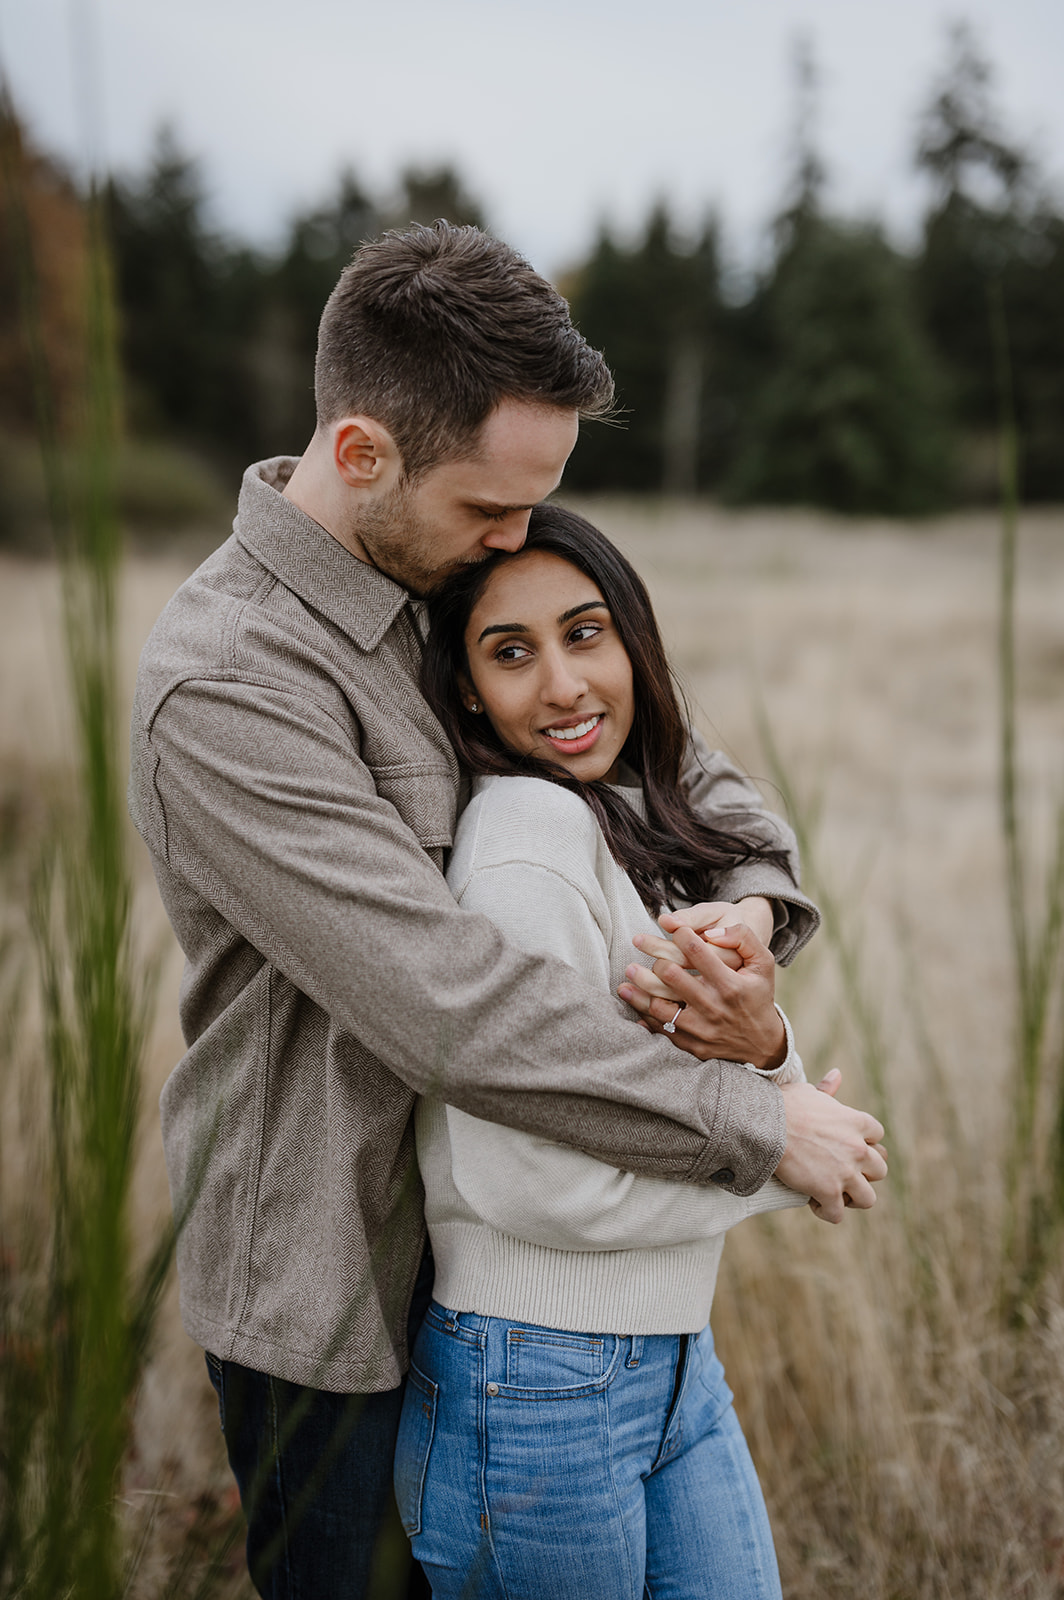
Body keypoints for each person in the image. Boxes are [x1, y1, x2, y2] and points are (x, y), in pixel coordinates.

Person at [128, 221, 887, 1600]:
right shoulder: (230, 684)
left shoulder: (438, 576)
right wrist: (757, 1117)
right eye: (492, 507)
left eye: (536, 504)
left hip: (516, 1279)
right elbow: (450, 1006)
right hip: (337, 1300)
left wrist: (747, 924)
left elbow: (683, 760)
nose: (518, 538)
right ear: (362, 455)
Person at [395, 504, 839, 1599]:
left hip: (668, 1351)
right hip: (533, 1377)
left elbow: (699, 1071)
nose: (562, 686)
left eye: (584, 634)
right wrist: (781, 1155)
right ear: (465, 690)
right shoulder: (525, 846)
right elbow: (533, 1174)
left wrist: (772, 1052)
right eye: (511, 653)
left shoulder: (622, 815)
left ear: (631, 639)